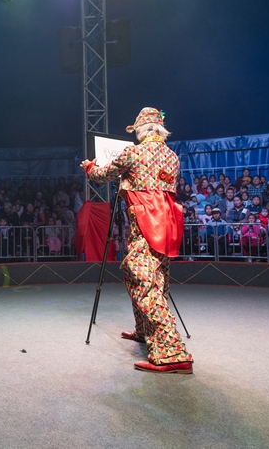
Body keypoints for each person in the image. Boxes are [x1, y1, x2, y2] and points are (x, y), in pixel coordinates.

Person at [81, 107, 192, 374]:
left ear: (141, 130)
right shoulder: (173, 157)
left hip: (145, 224)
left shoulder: (133, 152)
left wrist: (90, 167)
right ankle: (144, 330)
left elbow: (102, 175)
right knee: (155, 280)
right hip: (166, 225)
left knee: (146, 286)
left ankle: (173, 354)